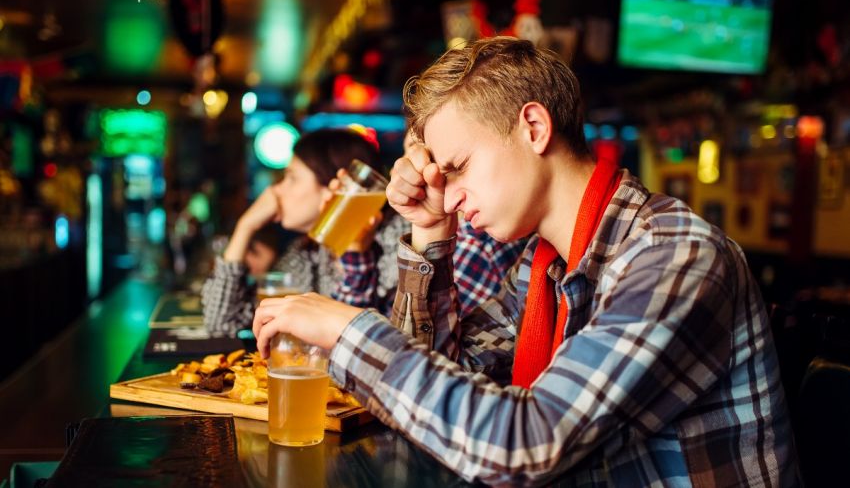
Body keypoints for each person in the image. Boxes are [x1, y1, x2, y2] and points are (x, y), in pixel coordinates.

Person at [252, 38, 798, 486]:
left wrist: (348, 327)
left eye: (458, 167)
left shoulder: (674, 256)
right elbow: (440, 393)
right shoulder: (544, 268)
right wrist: (429, 233)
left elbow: (523, 445)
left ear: (534, 127)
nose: (449, 193)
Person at [201, 128, 408, 337]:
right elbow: (221, 325)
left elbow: (362, 341)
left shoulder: (400, 243)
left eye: (291, 178)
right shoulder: (307, 254)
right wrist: (245, 227)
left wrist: (355, 255)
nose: (276, 191)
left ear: (335, 185)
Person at [404, 129, 528, 318]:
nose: (408, 170)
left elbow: (415, 343)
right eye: (409, 153)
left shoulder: (477, 242)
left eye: (459, 165)